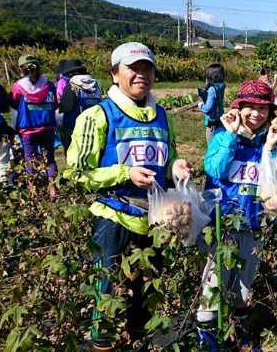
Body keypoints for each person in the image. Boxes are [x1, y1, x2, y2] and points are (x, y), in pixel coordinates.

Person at [63, 42, 193, 351]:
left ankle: (137, 339)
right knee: (106, 287)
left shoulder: (162, 115)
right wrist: (124, 173)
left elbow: (168, 158)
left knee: (145, 287)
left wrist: (176, 166)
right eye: (132, 68)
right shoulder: (97, 116)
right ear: (114, 72)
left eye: (147, 68)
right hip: (113, 214)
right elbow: (76, 173)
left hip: (153, 217)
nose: (141, 75)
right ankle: (102, 342)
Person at [196, 79, 277, 351]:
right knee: (213, 284)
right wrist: (232, 136)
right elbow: (215, 170)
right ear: (239, 107)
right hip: (220, 223)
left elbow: (275, 184)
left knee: (243, 286)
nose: (256, 114)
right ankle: (208, 341)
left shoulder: (268, 143)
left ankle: (238, 337)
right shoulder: (223, 136)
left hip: (252, 224)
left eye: (263, 109)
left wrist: (270, 148)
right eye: (250, 107)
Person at [10, 54, 58, 197]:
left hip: (27, 129)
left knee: (29, 159)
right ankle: (53, 189)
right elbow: (55, 105)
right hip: (47, 127)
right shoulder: (49, 85)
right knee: (49, 158)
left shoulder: (18, 86)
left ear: (21, 69)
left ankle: (34, 191)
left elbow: (13, 103)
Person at [58, 59, 102, 152]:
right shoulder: (96, 86)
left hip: (73, 127)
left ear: (70, 74)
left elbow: (65, 107)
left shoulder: (73, 86)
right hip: (93, 126)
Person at [197, 63, 226, 144]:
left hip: (212, 123)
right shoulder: (221, 86)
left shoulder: (212, 89)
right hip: (220, 120)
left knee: (211, 147)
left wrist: (200, 105)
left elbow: (207, 108)